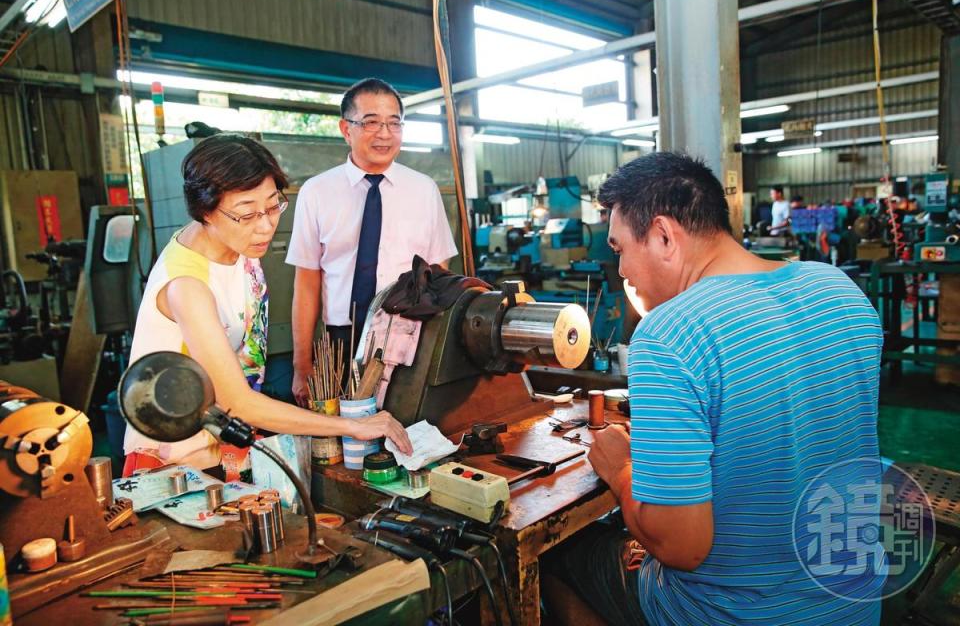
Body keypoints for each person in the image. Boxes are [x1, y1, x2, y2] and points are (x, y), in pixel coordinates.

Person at [542, 152, 883, 625]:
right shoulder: (840, 289)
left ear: (663, 235)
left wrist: (619, 467)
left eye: (619, 250)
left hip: (735, 615)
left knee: (558, 556)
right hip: (854, 601)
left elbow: (682, 547)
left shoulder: (670, 334)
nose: (621, 272)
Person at [123, 134, 412, 476]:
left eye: (273, 206)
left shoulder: (238, 246)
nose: (265, 226)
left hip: (224, 445)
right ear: (205, 212)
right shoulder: (188, 286)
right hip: (174, 462)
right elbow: (238, 403)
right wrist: (354, 426)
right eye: (247, 214)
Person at [286, 78, 458, 407]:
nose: (384, 133)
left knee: (405, 426)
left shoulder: (423, 190)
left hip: (409, 335)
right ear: (345, 128)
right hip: (340, 340)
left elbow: (438, 275)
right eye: (371, 122)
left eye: (394, 123)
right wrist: (301, 364)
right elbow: (307, 282)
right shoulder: (317, 192)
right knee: (340, 435)